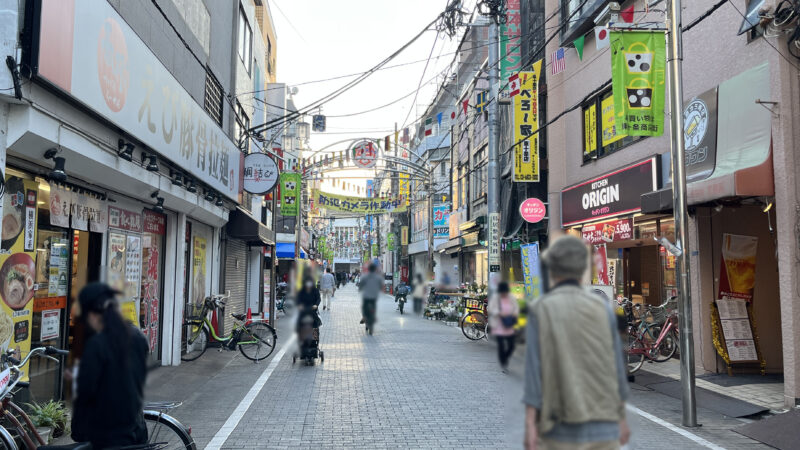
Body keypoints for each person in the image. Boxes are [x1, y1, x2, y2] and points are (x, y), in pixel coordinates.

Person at [523, 235, 630, 450]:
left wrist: (530, 423)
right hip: (604, 423)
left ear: (552, 269)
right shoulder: (602, 308)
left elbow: (535, 371)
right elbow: (616, 366)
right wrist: (621, 417)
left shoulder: (542, 308)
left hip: (559, 425)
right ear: (582, 268)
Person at [71, 282, 149, 448]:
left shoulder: (97, 344)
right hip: (137, 429)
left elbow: (86, 392)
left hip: (108, 436)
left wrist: (77, 430)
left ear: (91, 314)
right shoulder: (136, 337)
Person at [488, 281, 519, 373]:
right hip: (498, 325)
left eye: (505, 292)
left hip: (509, 325)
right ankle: (503, 363)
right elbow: (490, 309)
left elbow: (516, 308)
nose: (504, 294)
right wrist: (499, 313)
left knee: (512, 346)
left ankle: (505, 357)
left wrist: (514, 314)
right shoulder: (495, 298)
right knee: (501, 346)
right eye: (502, 292)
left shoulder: (511, 297)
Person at [358, 263, 383, 334]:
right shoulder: (378, 277)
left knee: (363, 307)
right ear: (375, 269)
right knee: (374, 307)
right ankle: (373, 316)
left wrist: (360, 289)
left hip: (366, 296)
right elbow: (381, 286)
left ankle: (364, 317)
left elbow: (361, 285)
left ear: (368, 269)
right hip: (374, 296)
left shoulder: (364, 276)